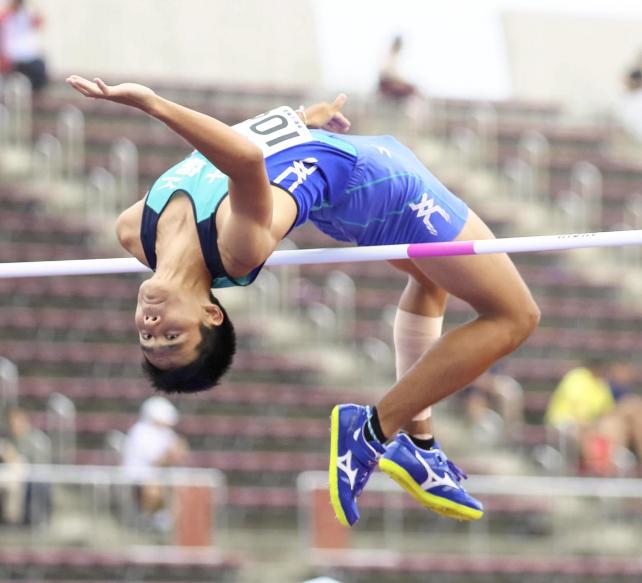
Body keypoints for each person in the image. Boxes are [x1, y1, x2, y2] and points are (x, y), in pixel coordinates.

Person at [66, 74, 540, 526]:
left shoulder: (135, 230)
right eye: (173, 334)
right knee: (515, 316)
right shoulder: (237, 250)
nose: (152, 323)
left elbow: (226, 155)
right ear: (211, 313)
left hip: (339, 177)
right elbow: (246, 161)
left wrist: (295, 120)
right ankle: (373, 430)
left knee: (430, 280)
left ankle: (420, 443)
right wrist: (152, 103)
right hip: (382, 184)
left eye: (148, 335)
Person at [0, 0, 48, 91]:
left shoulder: (26, 15)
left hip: (28, 56)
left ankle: (37, 94)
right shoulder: (5, 17)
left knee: (40, 68)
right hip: (12, 57)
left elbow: (39, 22)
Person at [378, 35, 418, 101]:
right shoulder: (389, 56)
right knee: (412, 89)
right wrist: (403, 82)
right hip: (387, 85)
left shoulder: (393, 57)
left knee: (412, 89)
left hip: (390, 83)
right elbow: (389, 74)